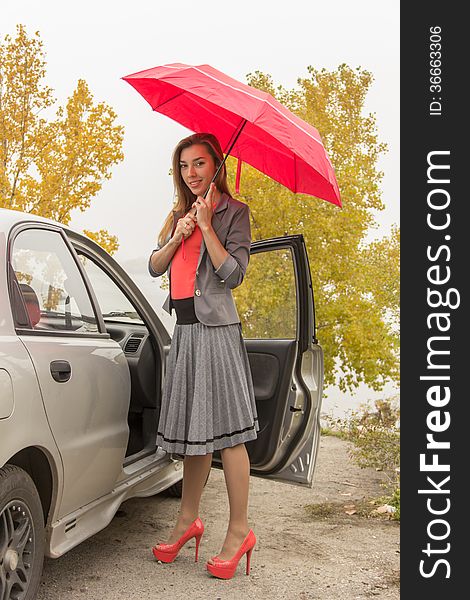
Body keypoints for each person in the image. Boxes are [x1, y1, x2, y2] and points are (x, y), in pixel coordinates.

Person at [148, 132, 258, 579]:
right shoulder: (178, 214)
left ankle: (239, 532)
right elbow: (156, 266)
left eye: (199, 164)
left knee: (229, 436)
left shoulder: (235, 213)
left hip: (217, 333)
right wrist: (180, 233)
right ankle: (186, 523)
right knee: (195, 436)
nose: (191, 173)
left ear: (217, 166)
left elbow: (233, 275)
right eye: (185, 166)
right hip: (187, 334)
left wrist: (209, 226)